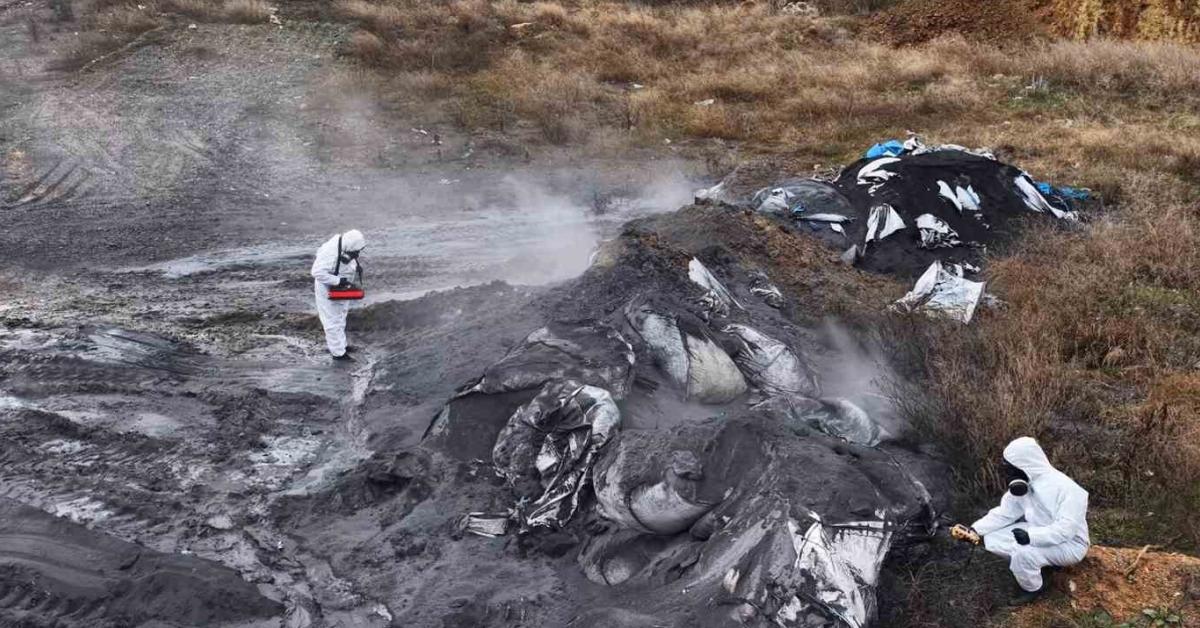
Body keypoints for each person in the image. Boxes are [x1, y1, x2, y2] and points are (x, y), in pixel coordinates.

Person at [954, 436, 1090, 605]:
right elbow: (1004, 513)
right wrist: (975, 530)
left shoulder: (1069, 490)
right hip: (1037, 530)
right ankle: (1043, 563)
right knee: (992, 538)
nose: (1008, 474)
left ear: (1025, 465)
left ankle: (1034, 588)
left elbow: (1065, 530)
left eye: (1011, 469)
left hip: (1070, 544)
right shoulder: (1023, 485)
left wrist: (1031, 537)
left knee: (1022, 552)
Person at [311, 229, 365, 361]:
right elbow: (316, 272)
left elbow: (343, 261)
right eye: (354, 253)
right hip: (328, 287)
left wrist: (354, 267)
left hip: (341, 285)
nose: (356, 255)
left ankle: (342, 345)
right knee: (332, 321)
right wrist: (338, 281)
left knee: (341, 316)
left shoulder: (343, 243)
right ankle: (338, 354)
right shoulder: (330, 253)